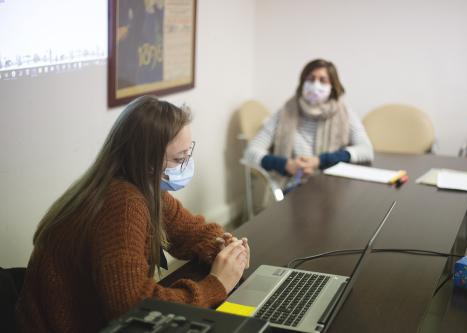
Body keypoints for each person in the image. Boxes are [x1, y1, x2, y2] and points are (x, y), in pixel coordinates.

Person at [15, 96, 250, 333]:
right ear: (148, 160)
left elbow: (190, 231)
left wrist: (224, 249)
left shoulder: (139, 184)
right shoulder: (122, 204)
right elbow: (133, 307)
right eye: (179, 159)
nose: (186, 164)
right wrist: (216, 285)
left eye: (188, 154)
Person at [244, 59, 374, 183]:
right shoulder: (285, 112)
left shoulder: (345, 114)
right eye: (311, 79)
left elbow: (366, 150)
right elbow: (251, 152)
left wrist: (320, 161)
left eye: (323, 80)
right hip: (291, 185)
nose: (315, 85)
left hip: (331, 186)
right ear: (302, 83)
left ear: (333, 86)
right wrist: (285, 165)